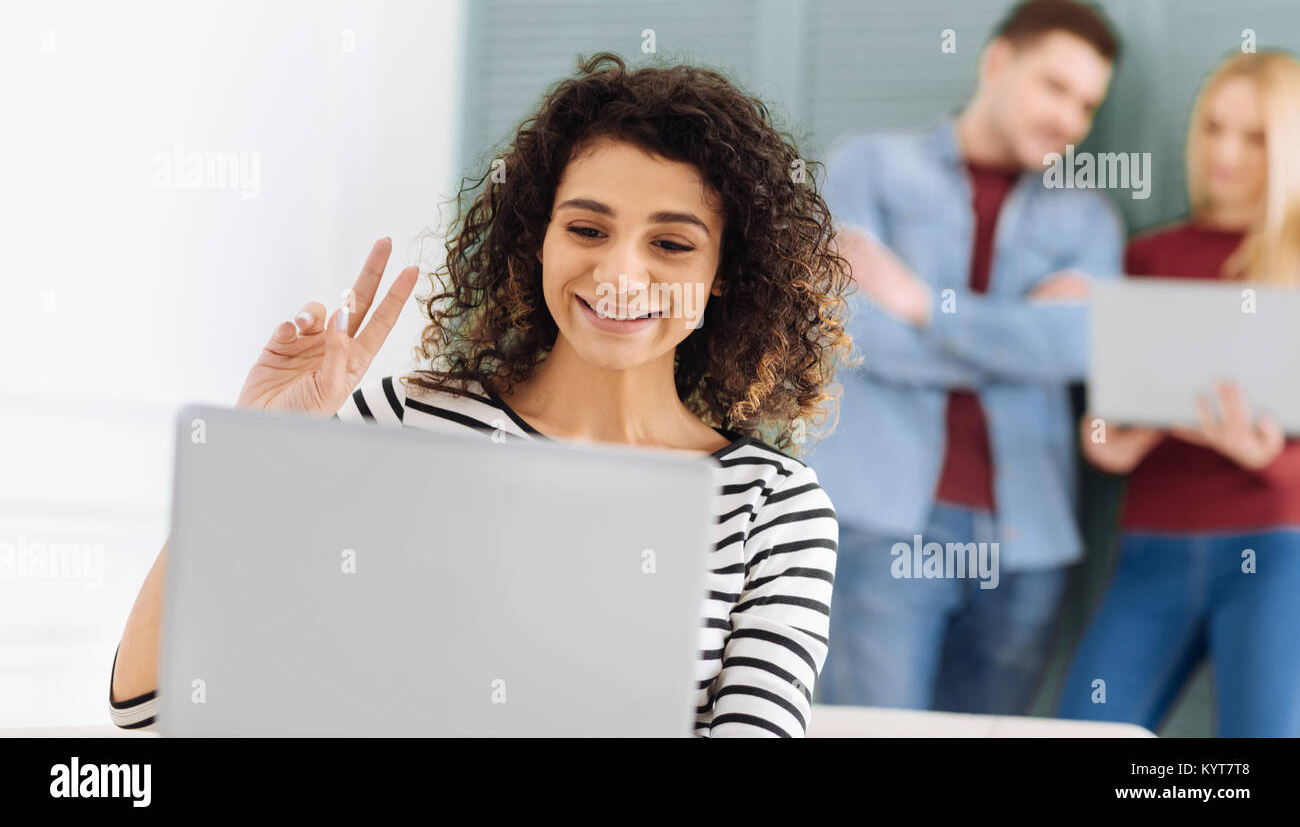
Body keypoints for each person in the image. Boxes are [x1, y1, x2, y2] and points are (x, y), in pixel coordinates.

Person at [109, 52, 850, 737]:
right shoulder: (403, 423)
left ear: (725, 270)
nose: (621, 272)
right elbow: (151, 709)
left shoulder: (774, 508)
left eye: (672, 243)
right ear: (539, 240)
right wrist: (252, 451)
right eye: (588, 228)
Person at [812, 0, 1125, 714]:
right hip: (880, 524)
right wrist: (1016, 336)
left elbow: (1075, 347)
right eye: (1054, 86)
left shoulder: (1088, 218)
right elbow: (854, 333)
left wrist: (921, 303)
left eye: (1086, 106)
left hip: (1026, 544)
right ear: (995, 61)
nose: (1067, 120)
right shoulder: (867, 167)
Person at [1057, 50, 1300, 736]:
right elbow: (1099, 433)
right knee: (1082, 729)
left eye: (1254, 136)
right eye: (1214, 127)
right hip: (1151, 546)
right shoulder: (1147, 258)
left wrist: (1266, 456)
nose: (1225, 151)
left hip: (1279, 550)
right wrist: (1113, 445)